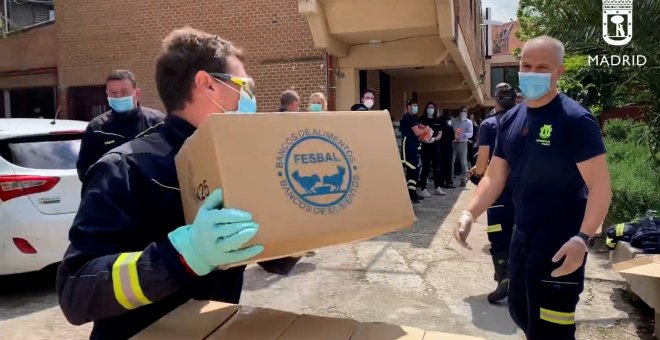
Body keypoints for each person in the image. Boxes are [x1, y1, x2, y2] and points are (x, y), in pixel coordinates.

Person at [57, 27, 272, 339]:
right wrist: (182, 256)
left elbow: (278, 261)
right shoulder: (127, 168)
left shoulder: (237, 162)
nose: (249, 96)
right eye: (243, 85)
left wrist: (293, 219)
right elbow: (75, 291)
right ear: (206, 83)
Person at [455, 36, 612, 339]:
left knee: (552, 327)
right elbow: (495, 177)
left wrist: (583, 238)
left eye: (543, 67)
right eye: (527, 65)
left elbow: (600, 187)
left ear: (559, 72)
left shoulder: (575, 120)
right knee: (520, 311)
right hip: (522, 235)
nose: (532, 72)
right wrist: (469, 212)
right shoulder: (510, 119)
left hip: (561, 242)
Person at [467, 83, 517, 304]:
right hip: (524, 189)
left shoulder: (488, 124)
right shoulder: (524, 119)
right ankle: (521, 282)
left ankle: (504, 278)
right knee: (520, 234)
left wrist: (476, 174)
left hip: (498, 191)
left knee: (498, 235)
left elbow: (482, 161)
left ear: (495, 100)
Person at [76, 70, 165, 182]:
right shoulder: (97, 129)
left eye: (124, 92)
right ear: (107, 95)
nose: (118, 97)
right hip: (114, 197)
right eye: (113, 92)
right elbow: (85, 170)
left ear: (136, 93)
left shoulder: (157, 123)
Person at [417, 102, 446, 197]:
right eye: (429, 107)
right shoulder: (421, 120)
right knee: (425, 167)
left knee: (437, 167)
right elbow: (418, 133)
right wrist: (423, 139)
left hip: (435, 146)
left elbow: (440, 134)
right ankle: (423, 189)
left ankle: (437, 188)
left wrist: (434, 139)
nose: (430, 109)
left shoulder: (438, 120)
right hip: (425, 146)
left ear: (435, 109)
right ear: (426, 109)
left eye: (432, 107)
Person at [399, 99, 425, 203]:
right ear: (408, 106)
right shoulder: (408, 117)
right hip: (409, 147)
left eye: (416, 106)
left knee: (414, 172)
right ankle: (411, 194)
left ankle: (413, 192)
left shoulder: (412, 117)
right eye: (414, 105)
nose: (415, 107)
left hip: (413, 146)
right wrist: (425, 130)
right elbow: (417, 132)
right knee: (412, 170)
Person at [451, 106, 473, 187]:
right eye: (462, 111)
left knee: (463, 162)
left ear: (467, 113)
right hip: (453, 143)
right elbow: (451, 130)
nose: (463, 112)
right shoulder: (454, 121)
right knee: (451, 162)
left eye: (465, 111)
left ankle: (464, 180)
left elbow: (471, 134)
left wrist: (462, 135)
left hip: (463, 143)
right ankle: (450, 180)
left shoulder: (469, 122)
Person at [438, 109, 455, 188]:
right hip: (448, 148)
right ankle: (448, 182)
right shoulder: (450, 128)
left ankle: (441, 182)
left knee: (441, 166)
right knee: (448, 165)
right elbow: (453, 138)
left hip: (440, 149)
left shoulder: (439, 129)